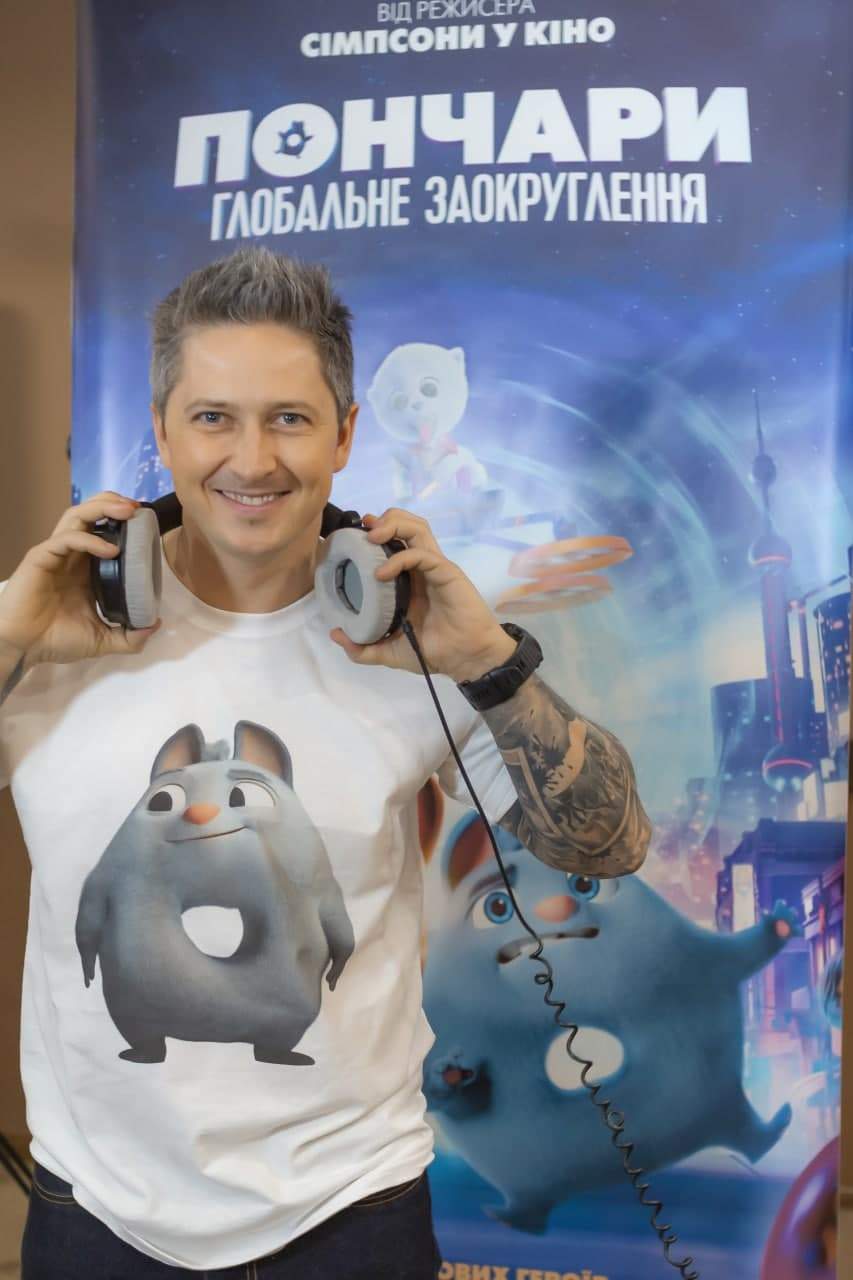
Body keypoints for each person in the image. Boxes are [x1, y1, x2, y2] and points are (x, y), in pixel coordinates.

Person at [0, 245, 651, 1279]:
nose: (252, 458)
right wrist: (8, 638)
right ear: (163, 430)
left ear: (344, 434)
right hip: (99, 1213)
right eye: (213, 417)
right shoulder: (46, 627)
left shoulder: (414, 632)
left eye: (290, 419)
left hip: (349, 1210)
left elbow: (607, 844)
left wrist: (486, 663)